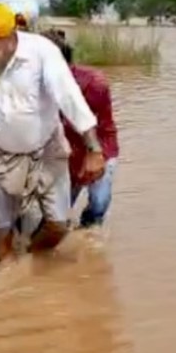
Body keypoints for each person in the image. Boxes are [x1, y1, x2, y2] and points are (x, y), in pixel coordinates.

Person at [0, 2, 105, 268]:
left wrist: (94, 149)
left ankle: (31, 260)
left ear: (8, 36)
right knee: (1, 229)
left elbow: (70, 98)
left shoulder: (42, 52)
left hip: (46, 150)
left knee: (58, 225)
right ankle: (2, 281)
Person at [42, 30, 119, 227]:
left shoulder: (94, 83)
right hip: (63, 152)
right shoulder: (37, 84)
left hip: (98, 147)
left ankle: (89, 232)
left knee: (99, 203)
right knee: (57, 213)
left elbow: (97, 126)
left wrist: (94, 154)